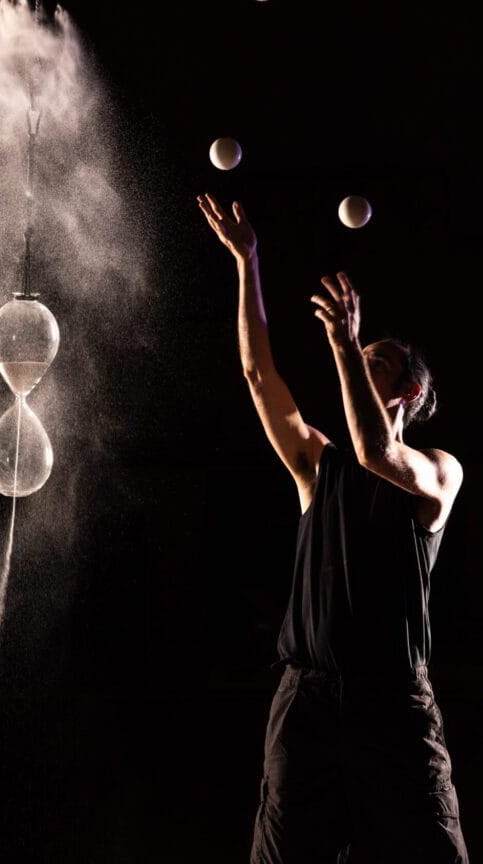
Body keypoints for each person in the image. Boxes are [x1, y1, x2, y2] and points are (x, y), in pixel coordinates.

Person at [197, 191, 469, 864]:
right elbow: (259, 376)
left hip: (394, 705)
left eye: (375, 361)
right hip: (306, 700)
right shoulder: (317, 468)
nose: (355, 359)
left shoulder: (438, 473)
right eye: (359, 354)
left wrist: (347, 344)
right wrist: (245, 261)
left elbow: (378, 451)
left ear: (406, 392)